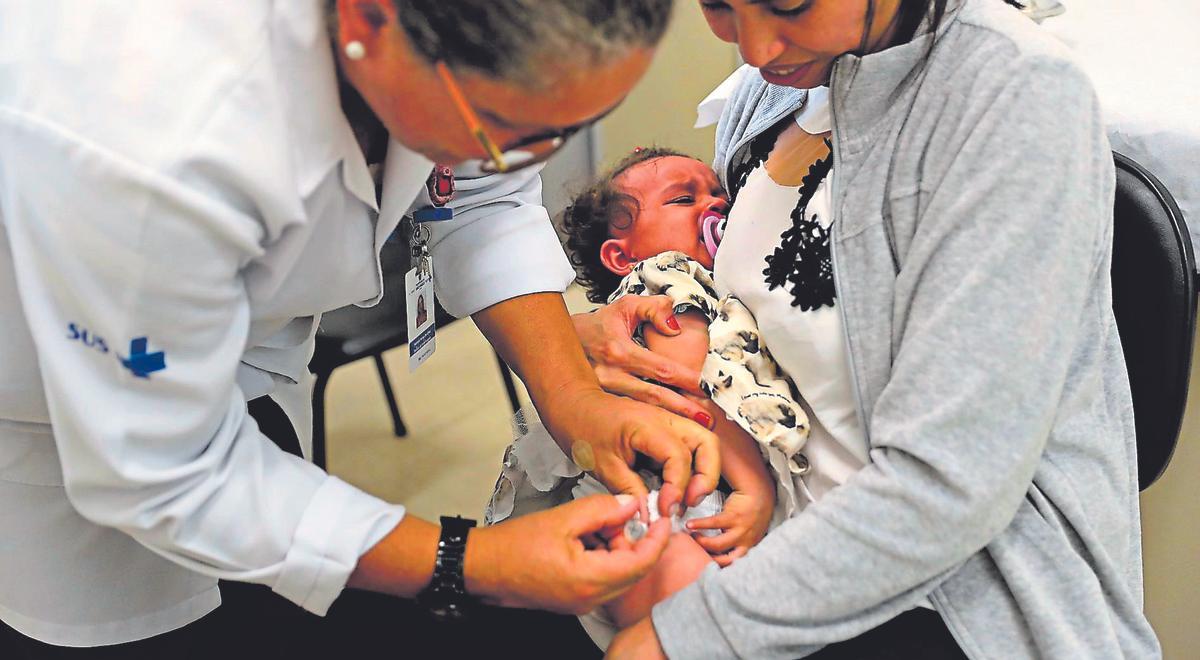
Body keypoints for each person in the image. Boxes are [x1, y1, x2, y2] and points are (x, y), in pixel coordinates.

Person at [0, 0, 725, 657]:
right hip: (57, 415)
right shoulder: (146, 137)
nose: (534, 157)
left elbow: (477, 189)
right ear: (370, 20)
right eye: (505, 127)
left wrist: (578, 406)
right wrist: (470, 565)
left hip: (249, 355)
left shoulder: (445, 66)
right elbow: (166, 470)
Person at [575, 0, 1162, 657]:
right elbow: (721, 302)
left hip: (952, 592)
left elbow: (947, 488)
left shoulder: (1014, 98)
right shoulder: (766, 95)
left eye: (789, 4)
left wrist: (686, 634)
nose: (756, 48)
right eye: (717, 5)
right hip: (773, 544)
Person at [491, 148, 823, 649]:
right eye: (684, 198)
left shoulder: (718, 285)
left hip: (676, 485)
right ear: (622, 256)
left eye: (718, 193)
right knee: (684, 601)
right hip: (667, 486)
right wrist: (753, 486)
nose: (714, 205)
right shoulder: (665, 279)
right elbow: (693, 393)